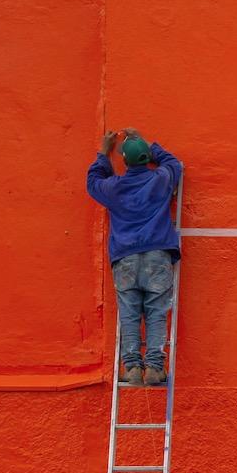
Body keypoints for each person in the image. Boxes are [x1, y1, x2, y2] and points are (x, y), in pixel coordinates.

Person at [86, 128, 182, 386]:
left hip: (126, 257)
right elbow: (174, 164)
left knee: (129, 313)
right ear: (147, 157)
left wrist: (104, 153)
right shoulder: (161, 179)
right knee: (156, 312)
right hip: (157, 255)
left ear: (125, 162)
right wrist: (149, 144)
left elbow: (93, 182)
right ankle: (154, 366)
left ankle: (132, 368)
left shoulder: (114, 187)